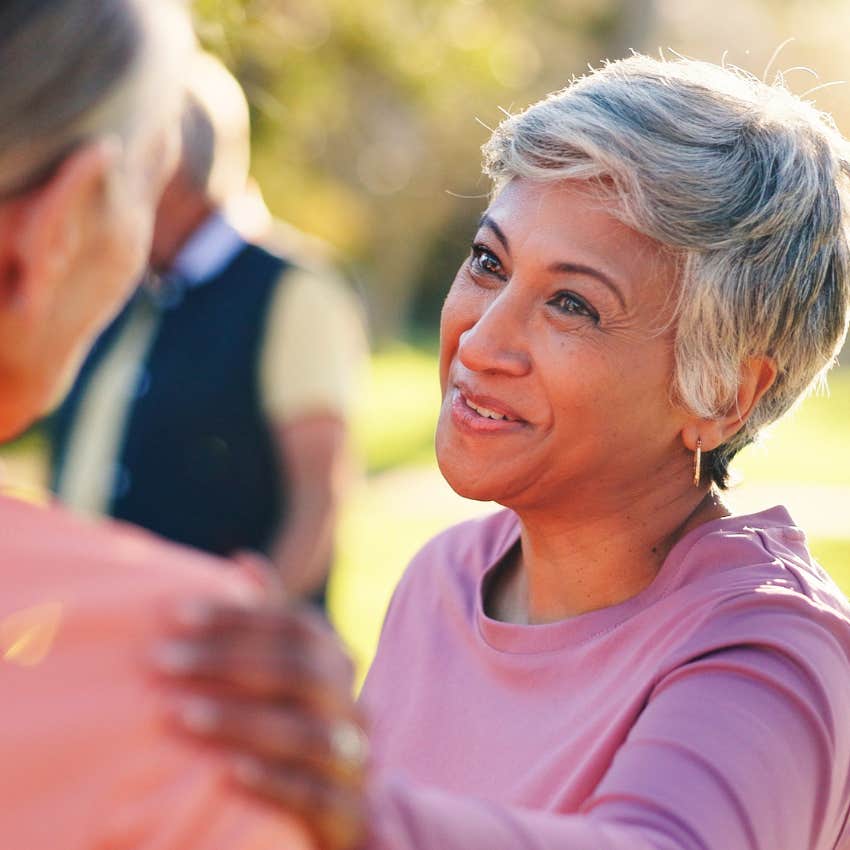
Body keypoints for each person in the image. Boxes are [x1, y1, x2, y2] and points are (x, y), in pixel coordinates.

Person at [159, 55, 850, 849]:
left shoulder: (772, 651)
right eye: (489, 262)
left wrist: (335, 806)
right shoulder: (442, 579)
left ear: (724, 392)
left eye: (571, 304)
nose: (480, 344)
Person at [0, 2, 366, 849]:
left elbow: (325, 480)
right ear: (64, 219)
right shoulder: (183, 753)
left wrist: (250, 623)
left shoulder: (288, 289)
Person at [49, 51, 366, 606]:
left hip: (214, 668)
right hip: (105, 645)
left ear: (164, 162)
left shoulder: (293, 291)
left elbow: (322, 493)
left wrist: (250, 622)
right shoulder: (131, 283)